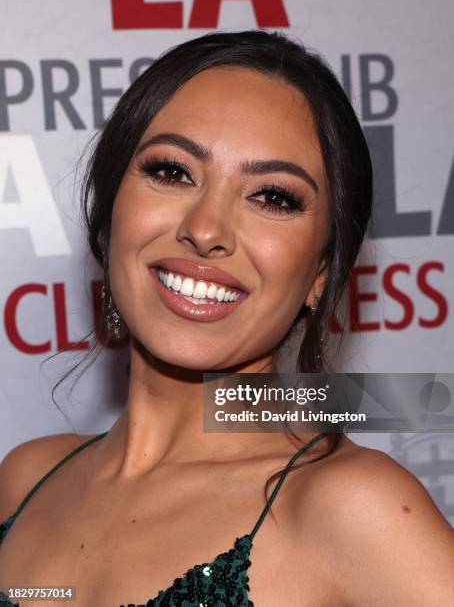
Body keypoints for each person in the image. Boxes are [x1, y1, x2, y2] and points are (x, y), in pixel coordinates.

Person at [0, 30, 453, 607]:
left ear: (319, 272)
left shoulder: (350, 507)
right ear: (110, 211)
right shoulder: (25, 480)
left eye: (274, 198)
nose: (207, 229)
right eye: (172, 171)